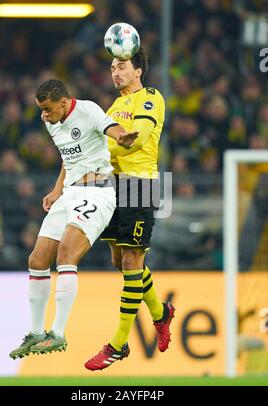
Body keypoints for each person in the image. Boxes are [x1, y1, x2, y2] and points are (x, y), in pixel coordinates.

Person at [9, 79, 138, 359]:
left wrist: (121, 136)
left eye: (47, 108)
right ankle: (36, 332)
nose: (43, 115)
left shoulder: (88, 110)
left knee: (66, 254)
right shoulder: (51, 123)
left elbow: (111, 128)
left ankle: (58, 333)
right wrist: (57, 191)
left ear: (64, 102)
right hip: (68, 193)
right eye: (40, 110)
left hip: (97, 193)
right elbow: (68, 160)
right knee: (37, 260)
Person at [85, 48, 175, 371]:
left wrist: (113, 141)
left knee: (132, 260)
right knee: (119, 262)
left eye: (121, 66)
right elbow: (106, 145)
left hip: (141, 185)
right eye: (111, 67)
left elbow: (137, 139)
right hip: (115, 186)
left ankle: (118, 345)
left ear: (138, 71)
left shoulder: (151, 98)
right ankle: (161, 314)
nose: (115, 72)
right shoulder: (115, 105)